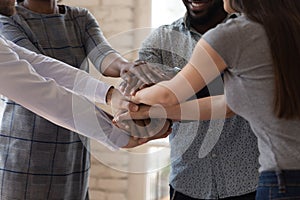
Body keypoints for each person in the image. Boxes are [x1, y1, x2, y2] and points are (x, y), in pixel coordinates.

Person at [117, 0, 300, 199]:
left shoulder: (236, 34)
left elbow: (168, 95)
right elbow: (224, 104)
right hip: (189, 181)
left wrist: (135, 96)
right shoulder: (285, 28)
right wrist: (147, 112)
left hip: (258, 181)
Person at [0, 0, 168, 199]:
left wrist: (110, 93)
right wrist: (117, 134)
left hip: (74, 145)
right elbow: (41, 88)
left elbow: (40, 64)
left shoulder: (79, 17)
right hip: (26, 151)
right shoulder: (8, 21)